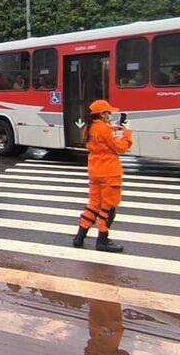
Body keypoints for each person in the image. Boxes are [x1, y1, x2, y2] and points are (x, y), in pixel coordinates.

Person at [72, 100, 132, 253]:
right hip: (109, 172)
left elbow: (105, 138)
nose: (109, 115)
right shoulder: (105, 129)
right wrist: (127, 133)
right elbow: (120, 147)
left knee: (94, 204)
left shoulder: (88, 128)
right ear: (102, 114)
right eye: (108, 113)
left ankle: (79, 237)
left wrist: (115, 129)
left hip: (95, 170)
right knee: (108, 208)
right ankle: (102, 240)